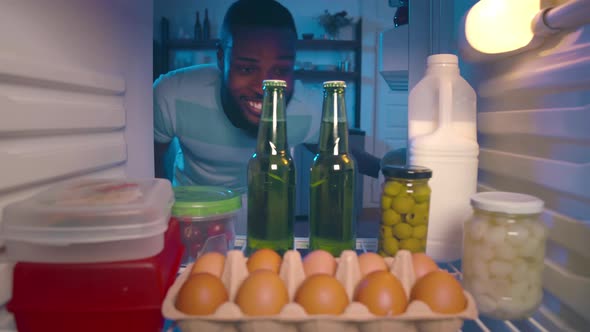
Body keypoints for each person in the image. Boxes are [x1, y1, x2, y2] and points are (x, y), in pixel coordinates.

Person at [153, 0, 380, 193]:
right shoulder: (172, 93)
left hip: (264, 216)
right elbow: (150, 163)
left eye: (280, 71)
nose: (265, 89)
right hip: (196, 211)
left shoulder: (308, 108)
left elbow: (341, 151)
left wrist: (390, 170)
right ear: (221, 58)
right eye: (247, 69)